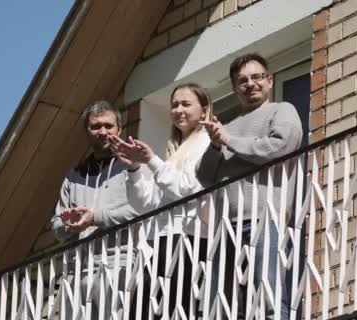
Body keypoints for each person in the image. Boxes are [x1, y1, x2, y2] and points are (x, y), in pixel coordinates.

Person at [196, 53, 303, 319]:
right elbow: (205, 175)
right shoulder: (228, 126)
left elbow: (280, 146)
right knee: (226, 304)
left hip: (264, 218)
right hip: (226, 227)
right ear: (234, 88)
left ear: (270, 80)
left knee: (268, 295)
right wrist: (216, 144)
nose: (250, 84)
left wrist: (230, 141)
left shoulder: (282, 110)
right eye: (242, 80)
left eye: (257, 77)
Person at [109, 83, 213, 318]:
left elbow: (189, 188)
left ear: (204, 110)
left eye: (186, 104)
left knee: (179, 310)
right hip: (162, 240)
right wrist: (135, 168)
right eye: (174, 104)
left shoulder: (207, 142)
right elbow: (145, 203)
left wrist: (152, 161)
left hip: (191, 239)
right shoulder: (173, 150)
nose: (178, 109)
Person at [51, 100, 140, 319]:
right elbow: (56, 225)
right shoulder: (74, 175)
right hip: (77, 271)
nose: (102, 131)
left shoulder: (133, 166)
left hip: (119, 264)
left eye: (108, 126)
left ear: (119, 129)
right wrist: (68, 224)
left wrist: (95, 218)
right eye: (96, 126)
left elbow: (141, 210)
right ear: (87, 131)